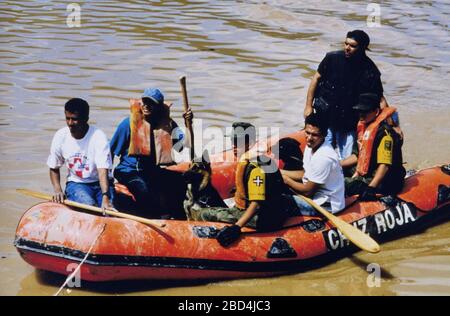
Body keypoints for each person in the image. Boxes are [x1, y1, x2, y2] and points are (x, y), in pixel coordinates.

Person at [304, 30, 398, 160]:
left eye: (352, 46)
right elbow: (315, 79)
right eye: (346, 44)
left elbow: (379, 98)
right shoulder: (332, 59)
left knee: (347, 157)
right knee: (318, 154)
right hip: (325, 116)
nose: (347, 48)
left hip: (348, 121)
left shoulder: (370, 70)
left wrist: (393, 126)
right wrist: (308, 106)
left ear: (363, 48)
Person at [110, 88, 193, 218]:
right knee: (144, 189)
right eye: (145, 102)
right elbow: (110, 152)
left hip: (151, 171)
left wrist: (188, 124)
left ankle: (178, 216)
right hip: (129, 171)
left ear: (159, 107)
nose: (147, 106)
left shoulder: (166, 124)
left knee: (182, 181)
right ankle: (154, 218)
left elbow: (184, 145)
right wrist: (106, 178)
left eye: (151, 103)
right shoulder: (128, 124)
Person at [47, 98, 114, 211]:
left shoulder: (99, 137)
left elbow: (103, 170)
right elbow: (54, 167)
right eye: (67, 118)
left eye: (74, 119)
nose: (70, 123)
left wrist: (106, 197)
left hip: (101, 183)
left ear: (85, 119)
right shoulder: (60, 136)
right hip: (77, 183)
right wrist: (58, 190)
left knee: (108, 211)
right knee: (89, 207)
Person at [342, 93, 406, 201]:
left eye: (365, 112)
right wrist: (337, 165)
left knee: (344, 183)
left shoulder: (385, 135)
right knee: (341, 171)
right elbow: (357, 156)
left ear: (376, 112)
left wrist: (371, 187)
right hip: (370, 171)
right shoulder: (364, 129)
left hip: (387, 180)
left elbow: (384, 165)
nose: (361, 115)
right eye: (359, 111)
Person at [282, 113, 346, 215]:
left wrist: (286, 180)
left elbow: (308, 191)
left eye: (315, 135)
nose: (309, 138)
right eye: (307, 132)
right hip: (314, 194)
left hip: (325, 205)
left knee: (276, 201)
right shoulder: (311, 145)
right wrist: (280, 172)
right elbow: (305, 174)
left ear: (324, 134)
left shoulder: (324, 157)